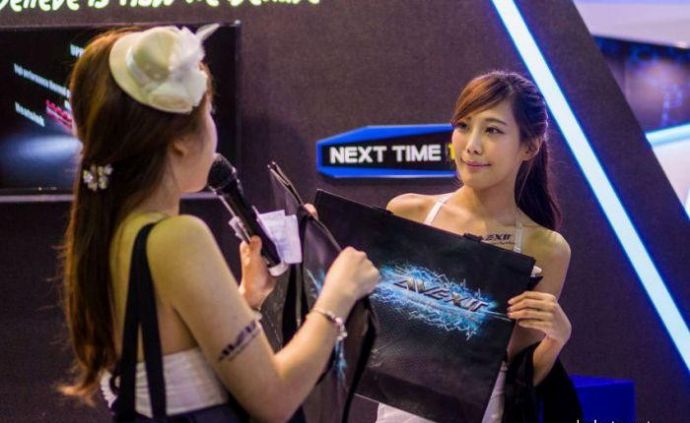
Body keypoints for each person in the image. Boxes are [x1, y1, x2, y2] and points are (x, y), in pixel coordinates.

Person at [60, 24, 379, 422]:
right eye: (208, 114)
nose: (213, 130)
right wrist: (338, 295)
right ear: (178, 141)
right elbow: (275, 398)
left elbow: (172, 354)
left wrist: (243, 300)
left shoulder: (113, 232)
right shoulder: (176, 237)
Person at [377, 70, 575, 423]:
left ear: (529, 147)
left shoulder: (545, 247)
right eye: (464, 125)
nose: (471, 145)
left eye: (493, 130)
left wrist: (556, 339)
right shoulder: (408, 213)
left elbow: (522, 376)